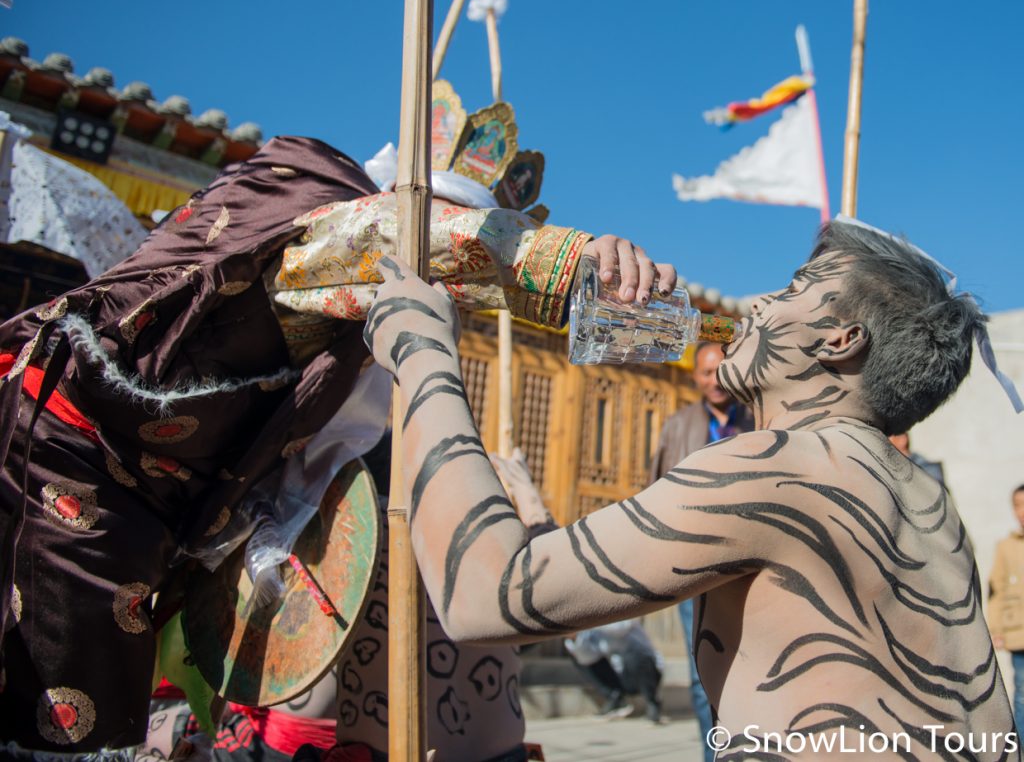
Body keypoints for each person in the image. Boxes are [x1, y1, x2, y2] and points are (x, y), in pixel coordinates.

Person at [0, 135, 673, 757]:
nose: (448, 301)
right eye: (448, 284)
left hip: (155, 493)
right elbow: (417, 241)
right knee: (67, 711)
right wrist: (581, 257)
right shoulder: (330, 225)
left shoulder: (348, 335)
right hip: (72, 451)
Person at [364, 220, 1020, 760]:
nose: (757, 302)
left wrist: (425, 359)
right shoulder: (927, 500)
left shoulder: (774, 466)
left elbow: (484, 596)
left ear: (839, 339)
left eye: (794, 288)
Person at [649, 341, 752, 757]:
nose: (713, 381)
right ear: (695, 377)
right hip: (692, 564)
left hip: (745, 566)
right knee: (699, 676)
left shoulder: (756, 423)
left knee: (746, 668)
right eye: (706, 373)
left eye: (719, 372)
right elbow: (656, 489)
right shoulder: (678, 426)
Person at [988, 484, 1024, 740]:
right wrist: (996, 629)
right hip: (1019, 631)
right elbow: (996, 590)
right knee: (1022, 692)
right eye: (1017, 505)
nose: (1021, 511)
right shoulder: (1006, 546)